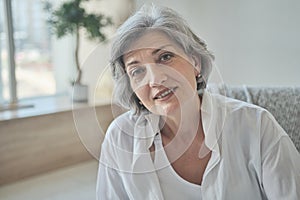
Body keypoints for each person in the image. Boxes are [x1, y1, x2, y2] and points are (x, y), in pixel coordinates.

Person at [96, 4, 300, 200]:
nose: (155, 79)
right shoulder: (119, 138)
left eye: (165, 57)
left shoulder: (257, 126)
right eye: (137, 71)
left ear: (195, 62)